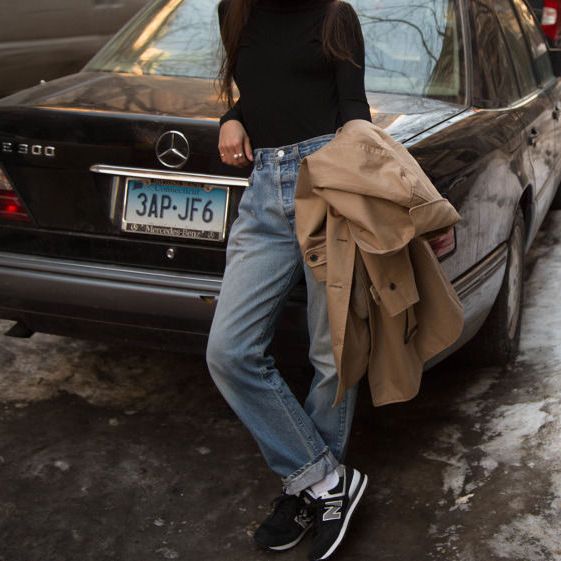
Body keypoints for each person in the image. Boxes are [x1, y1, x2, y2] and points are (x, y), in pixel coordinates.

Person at [208, 1, 372, 559]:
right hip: (264, 191)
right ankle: (324, 479)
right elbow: (263, 90)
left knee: (331, 353)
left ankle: (308, 493)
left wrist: (355, 188)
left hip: (327, 184)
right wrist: (233, 116)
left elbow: (352, 107)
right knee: (229, 351)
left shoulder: (335, 15)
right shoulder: (234, 10)